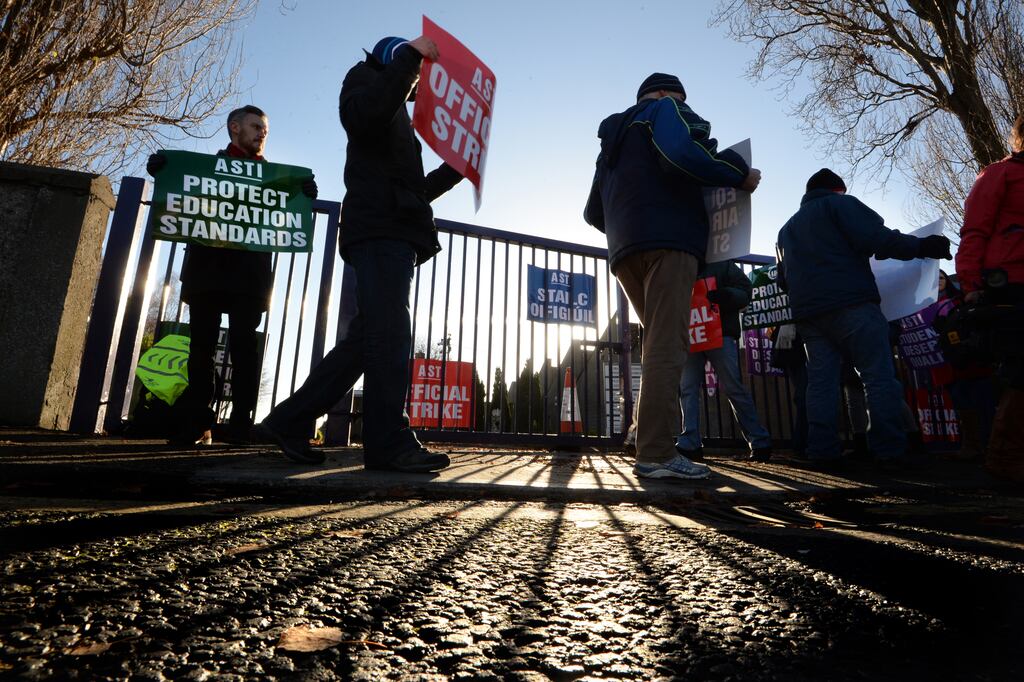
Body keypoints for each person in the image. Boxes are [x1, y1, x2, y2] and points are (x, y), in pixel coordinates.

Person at [257, 35, 463, 472]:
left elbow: (413, 192)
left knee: (366, 342)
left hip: (392, 230)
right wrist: (411, 56)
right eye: (415, 75)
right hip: (378, 233)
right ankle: (388, 442)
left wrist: (453, 172)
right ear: (394, 58)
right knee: (389, 337)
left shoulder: (397, 114)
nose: (417, 86)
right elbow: (364, 118)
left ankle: (289, 420)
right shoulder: (364, 79)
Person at [584, 73, 761, 480]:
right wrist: (738, 174)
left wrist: (631, 227)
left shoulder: (611, 141)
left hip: (625, 253)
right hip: (671, 245)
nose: (685, 109)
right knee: (668, 347)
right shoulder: (664, 110)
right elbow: (681, 151)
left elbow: (593, 212)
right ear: (664, 94)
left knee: (659, 347)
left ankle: (645, 435)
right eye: (683, 101)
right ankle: (657, 453)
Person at [147, 105, 318, 446]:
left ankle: (241, 425)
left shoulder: (276, 181)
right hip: (208, 271)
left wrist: (303, 193)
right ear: (234, 127)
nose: (262, 133)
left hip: (248, 277)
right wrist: (163, 171)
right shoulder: (204, 171)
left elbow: (288, 216)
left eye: (265, 129)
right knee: (201, 349)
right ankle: (195, 421)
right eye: (256, 126)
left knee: (244, 350)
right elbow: (182, 191)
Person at [776, 168, 951, 469]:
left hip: (809, 314)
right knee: (877, 376)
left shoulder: (786, 230)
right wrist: (922, 246)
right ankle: (888, 450)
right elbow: (877, 239)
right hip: (852, 304)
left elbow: (783, 280)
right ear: (838, 189)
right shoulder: (841, 205)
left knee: (820, 383)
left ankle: (822, 451)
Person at [955, 114, 1024, 481]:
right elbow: (974, 230)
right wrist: (970, 284)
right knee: (1021, 371)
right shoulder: (999, 174)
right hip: (1011, 284)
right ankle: (1004, 460)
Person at [676, 260, 773, 462]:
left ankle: (759, 441)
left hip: (717, 333)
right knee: (688, 388)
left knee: (730, 387)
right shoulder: (695, 263)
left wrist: (727, 295)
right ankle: (689, 443)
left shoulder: (720, 263)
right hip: (694, 333)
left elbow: (745, 290)